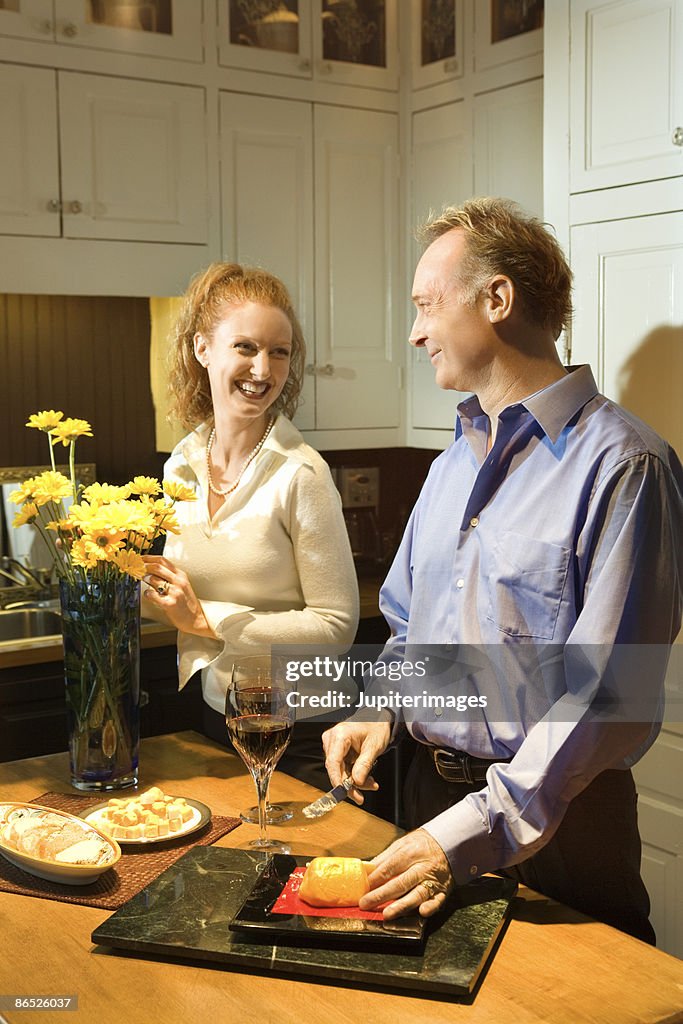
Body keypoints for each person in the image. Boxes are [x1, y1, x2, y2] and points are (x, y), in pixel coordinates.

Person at [322, 197, 683, 942]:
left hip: (559, 826)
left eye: (426, 305)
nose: (414, 331)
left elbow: (604, 696)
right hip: (425, 796)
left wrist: (464, 835)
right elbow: (408, 626)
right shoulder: (450, 462)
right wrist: (376, 707)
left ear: (496, 299)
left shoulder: (625, 464)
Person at [142, 262, 359, 786]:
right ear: (202, 350)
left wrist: (206, 620)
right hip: (219, 713)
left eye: (279, 352)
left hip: (306, 729)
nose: (263, 370)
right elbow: (181, 589)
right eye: (245, 347)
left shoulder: (301, 473)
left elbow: (337, 627)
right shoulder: (181, 464)